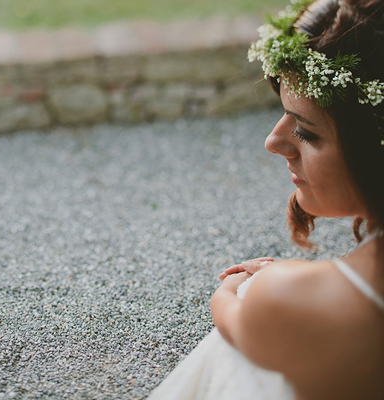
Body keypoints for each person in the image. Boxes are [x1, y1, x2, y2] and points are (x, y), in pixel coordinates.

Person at [147, 0, 384, 399]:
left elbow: (235, 320)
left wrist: (242, 289)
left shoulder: (290, 301)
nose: (273, 142)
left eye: (307, 132)